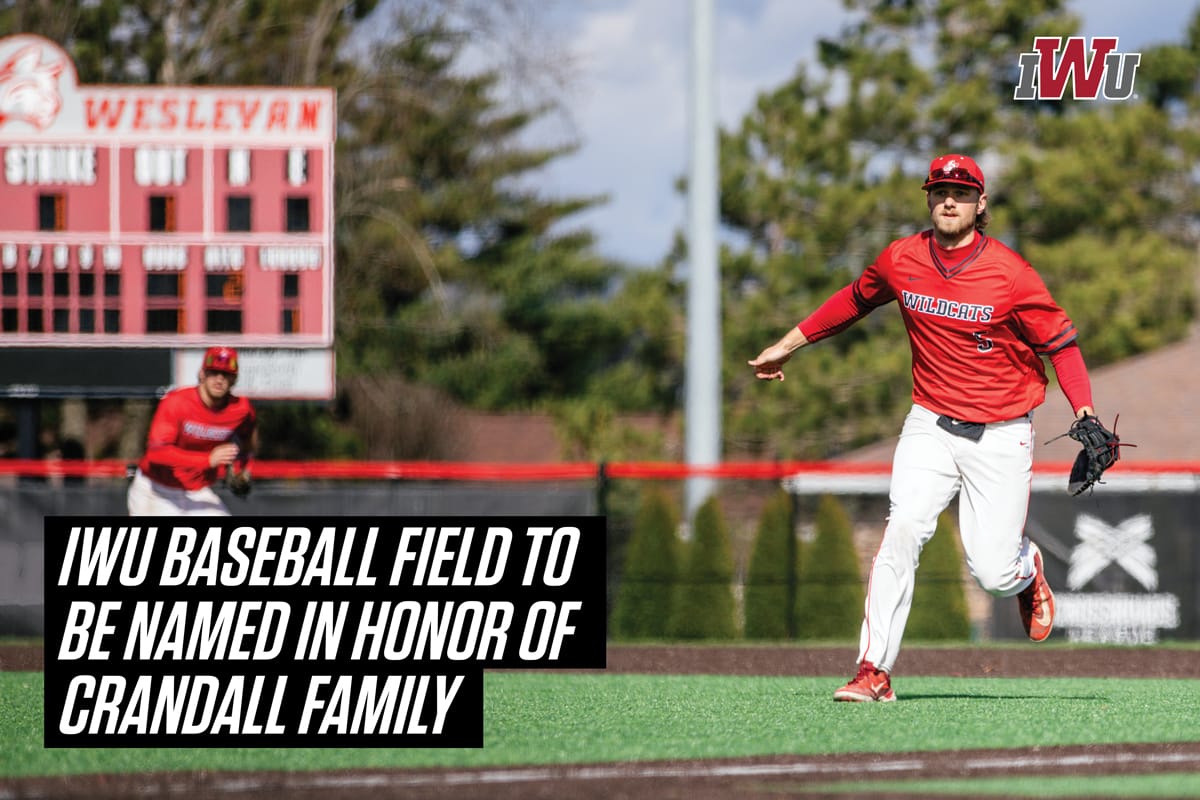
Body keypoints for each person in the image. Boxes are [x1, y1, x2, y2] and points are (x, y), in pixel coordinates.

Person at [749, 154, 1096, 702]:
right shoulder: (902, 259)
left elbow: (1061, 346)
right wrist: (785, 345)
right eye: (939, 190)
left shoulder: (1010, 273)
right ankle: (873, 670)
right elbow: (852, 301)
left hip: (1002, 431)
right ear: (928, 198)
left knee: (990, 573)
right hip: (930, 422)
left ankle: (1026, 569)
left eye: (961, 191)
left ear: (981, 204)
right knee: (903, 527)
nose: (949, 199)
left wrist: (1085, 412)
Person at [127, 345, 257, 516]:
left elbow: (249, 441)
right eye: (213, 372)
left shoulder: (240, 409)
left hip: (197, 491)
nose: (219, 379)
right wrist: (208, 460)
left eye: (226, 374)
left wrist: (242, 468)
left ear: (234, 379)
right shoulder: (177, 402)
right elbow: (156, 453)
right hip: (156, 491)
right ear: (202, 374)